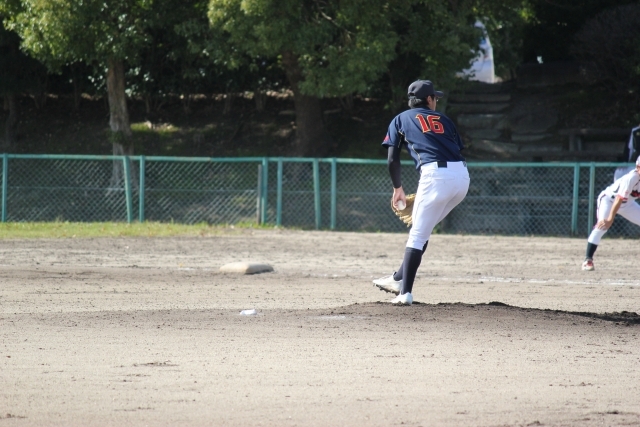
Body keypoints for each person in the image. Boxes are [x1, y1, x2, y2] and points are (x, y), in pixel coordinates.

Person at [372, 80, 470, 305]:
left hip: (435, 176)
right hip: (462, 178)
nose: (436, 101)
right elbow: (454, 148)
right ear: (429, 99)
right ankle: (398, 278)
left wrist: (398, 188)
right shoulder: (445, 119)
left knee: (417, 234)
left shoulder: (400, 119)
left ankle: (404, 293)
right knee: (422, 230)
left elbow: (392, 158)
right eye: (435, 97)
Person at [582, 155, 640, 271]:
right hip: (609, 200)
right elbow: (618, 199)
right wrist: (610, 219)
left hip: (627, 204)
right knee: (602, 226)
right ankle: (588, 260)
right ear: (638, 167)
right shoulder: (632, 178)